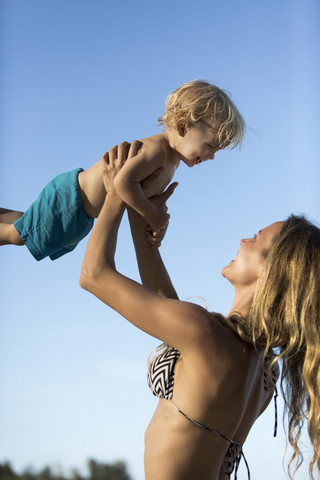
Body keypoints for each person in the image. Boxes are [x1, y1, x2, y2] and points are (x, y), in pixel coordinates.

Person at [79, 144, 320, 480]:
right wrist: (141, 212)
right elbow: (165, 305)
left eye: (255, 238)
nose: (243, 240)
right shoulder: (263, 371)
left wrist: (116, 192)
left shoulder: (204, 333)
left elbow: (94, 275)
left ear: (270, 272)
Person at [0, 80, 245, 261]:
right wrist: (152, 214)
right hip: (72, 199)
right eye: (210, 146)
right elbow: (123, 184)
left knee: (27, 223)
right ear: (183, 126)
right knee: (19, 236)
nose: (211, 156)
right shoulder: (156, 151)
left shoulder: (173, 161)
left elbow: (140, 198)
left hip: (81, 212)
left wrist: (157, 225)